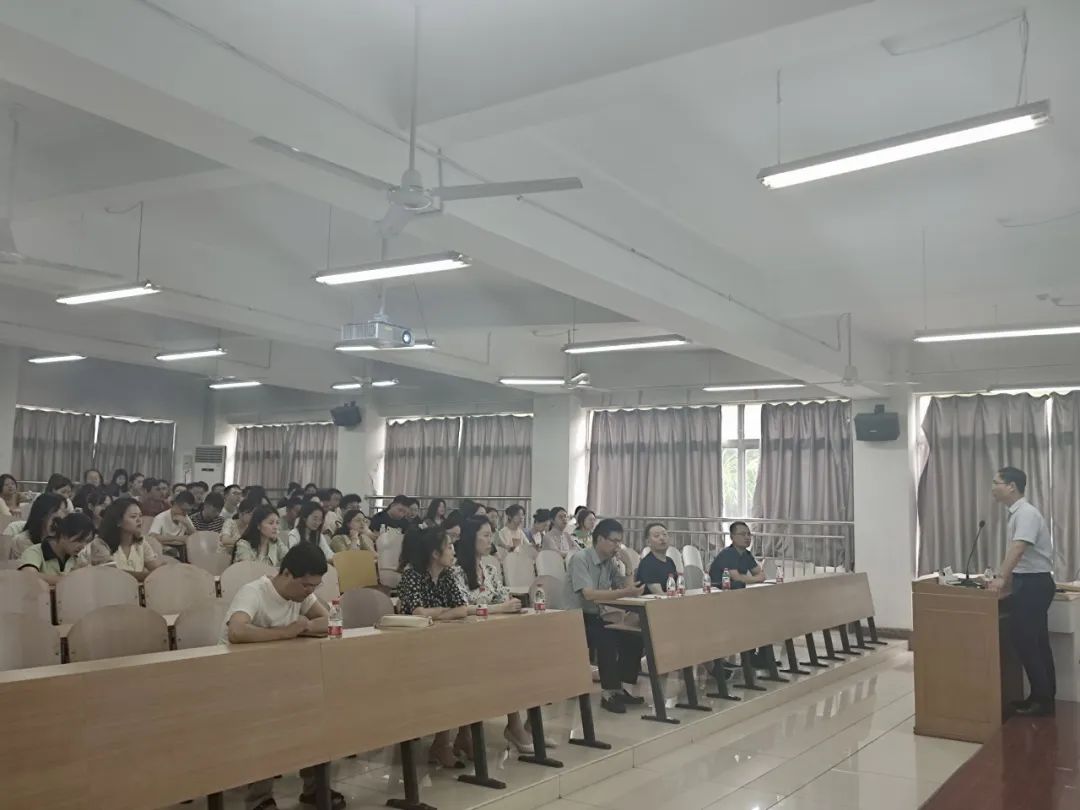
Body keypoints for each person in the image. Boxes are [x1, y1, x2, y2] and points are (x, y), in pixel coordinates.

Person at [220, 543, 344, 809]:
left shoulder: (301, 596)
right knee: (264, 724)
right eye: (306, 585)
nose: (309, 591)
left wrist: (305, 626)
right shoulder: (254, 591)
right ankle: (259, 799)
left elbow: (330, 622)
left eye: (315, 586)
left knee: (316, 711)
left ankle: (314, 788)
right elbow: (237, 631)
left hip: (279, 678)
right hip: (240, 680)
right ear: (287, 573)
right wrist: (285, 632)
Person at [451, 517, 532, 753]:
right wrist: (499, 608)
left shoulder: (489, 569)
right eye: (485, 535)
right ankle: (474, 732)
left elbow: (502, 597)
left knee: (522, 659)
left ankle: (521, 725)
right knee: (501, 664)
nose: (490, 541)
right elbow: (461, 608)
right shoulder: (455, 571)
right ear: (471, 538)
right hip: (464, 637)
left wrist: (511, 604)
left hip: (492, 634)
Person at [398, 525, 471, 766]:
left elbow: (462, 609)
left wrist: (437, 613)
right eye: (449, 547)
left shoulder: (447, 574)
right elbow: (417, 613)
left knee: (467, 672)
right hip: (411, 647)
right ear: (434, 553)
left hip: (442, 641)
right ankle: (442, 743)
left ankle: (460, 737)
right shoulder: (412, 574)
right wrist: (445, 611)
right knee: (447, 678)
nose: (453, 551)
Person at [988, 466, 1057, 716]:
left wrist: (1000, 578)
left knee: (1027, 641)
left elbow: (1018, 549)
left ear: (1011, 487)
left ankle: (1042, 700)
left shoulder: (1026, 513)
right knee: (1036, 641)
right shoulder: (1018, 513)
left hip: (1033, 584)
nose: (992, 488)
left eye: (996, 483)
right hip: (1030, 582)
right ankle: (1042, 696)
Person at [568, 518, 645, 714]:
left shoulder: (609, 562)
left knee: (634, 636)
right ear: (600, 539)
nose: (617, 546)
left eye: (620, 542)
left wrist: (628, 566)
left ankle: (619, 687)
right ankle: (608, 693)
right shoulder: (580, 559)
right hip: (574, 618)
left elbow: (628, 589)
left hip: (596, 616)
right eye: (614, 541)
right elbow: (589, 595)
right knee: (607, 638)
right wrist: (625, 592)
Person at [82, 498, 165, 580]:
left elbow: (155, 568)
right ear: (118, 521)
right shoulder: (100, 544)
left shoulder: (141, 542)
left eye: (140, 516)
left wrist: (164, 569)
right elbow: (113, 573)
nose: (139, 520)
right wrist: (147, 575)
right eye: (133, 516)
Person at [18, 511, 93, 585]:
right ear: (63, 535)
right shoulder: (35, 552)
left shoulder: (78, 558)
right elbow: (29, 575)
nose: (83, 546)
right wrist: (67, 580)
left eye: (86, 542)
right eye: (79, 540)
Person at [7, 492, 66, 559]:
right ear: (43, 513)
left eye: (65, 511)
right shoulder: (21, 541)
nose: (64, 516)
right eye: (61, 510)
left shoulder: (61, 541)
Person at [709, 522, 765, 589]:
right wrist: (756, 578)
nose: (747, 537)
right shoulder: (728, 553)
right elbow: (737, 578)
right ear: (732, 537)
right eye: (743, 534)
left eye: (749, 534)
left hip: (736, 590)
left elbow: (761, 575)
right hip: (718, 591)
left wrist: (748, 578)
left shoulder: (747, 554)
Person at [636, 523, 679, 594]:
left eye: (664, 534)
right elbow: (659, 594)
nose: (662, 538)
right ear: (648, 542)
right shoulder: (647, 564)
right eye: (656, 536)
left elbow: (678, 587)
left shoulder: (670, 561)